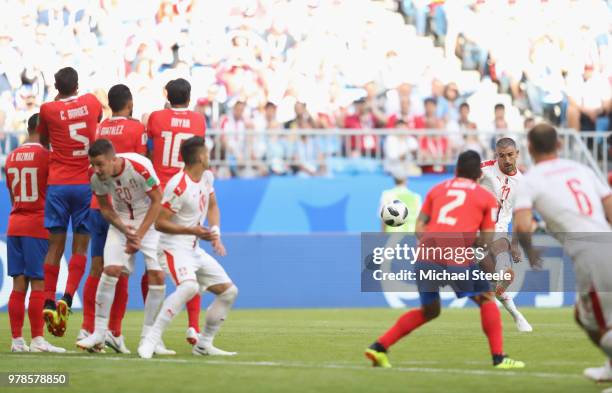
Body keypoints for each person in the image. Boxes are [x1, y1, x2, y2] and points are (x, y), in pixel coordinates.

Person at [365, 150, 525, 370]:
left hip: (424, 255)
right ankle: (499, 358)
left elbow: (419, 229)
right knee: (487, 297)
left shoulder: (437, 189)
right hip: (454, 254)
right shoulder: (485, 197)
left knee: (430, 310)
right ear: (479, 174)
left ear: (456, 170)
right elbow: (486, 239)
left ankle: (378, 347)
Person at [513, 124, 612, 383]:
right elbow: (609, 206)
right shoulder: (582, 169)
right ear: (559, 145)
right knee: (583, 315)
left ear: (530, 147)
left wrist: (530, 250)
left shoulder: (531, 180)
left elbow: (523, 225)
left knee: (599, 323)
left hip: (591, 255)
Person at [138, 136, 238, 358]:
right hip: (172, 248)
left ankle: (204, 345)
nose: (210, 156)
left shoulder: (206, 178)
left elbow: (212, 205)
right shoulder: (178, 185)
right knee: (189, 287)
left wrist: (215, 233)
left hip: (193, 250)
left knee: (229, 291)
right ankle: (150, 340)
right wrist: (193, 230)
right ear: (201, 157)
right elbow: (160, 223)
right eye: (208, 153)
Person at [76, 139, 167, 353]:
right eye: (93, 164)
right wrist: (126, 231)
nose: (96, 169)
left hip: (149, 222)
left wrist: (139, 235)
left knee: (157, 275)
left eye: (100, 164)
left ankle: (149, 338)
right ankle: (98, 333)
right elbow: (106, 209)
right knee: (111, 270)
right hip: (122, 222)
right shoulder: (95, 176)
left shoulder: (139, 169)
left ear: (113, 160)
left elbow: (157, 200)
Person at [78, 84, 147, 354]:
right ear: (129, 104)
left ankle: (87, 327)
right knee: (120, 272)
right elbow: (139, 165)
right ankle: (114, 332)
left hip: (97, 204)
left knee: (97, 268)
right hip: (122, 207)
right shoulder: (136, 128)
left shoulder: (101, 128)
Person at [37, 67, 103, 337]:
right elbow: (96, 119)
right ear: (77, 85)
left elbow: (44, 141)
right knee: (81, 244)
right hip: (84, 183)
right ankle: (67, 297)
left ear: (56, 86)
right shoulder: (90, 102)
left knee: (54, 245)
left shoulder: (48, 109)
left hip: (58, 184)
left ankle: (49, 300)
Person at [146, 78, 207, 346]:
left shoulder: (156, 117)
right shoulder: (198, 121)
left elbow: (149, 145)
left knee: (153, 268)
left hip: (161, 195)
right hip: (188, 190)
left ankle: (149, 331)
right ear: (190, 96)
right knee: (189, 262)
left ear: (166, 95)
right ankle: (193, 326)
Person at [5, 114, 65, 353]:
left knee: (18, 285)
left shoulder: (11, 157)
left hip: (15, 223)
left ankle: (17, 340)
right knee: (39, 283)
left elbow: (12, 196)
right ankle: (38, 339)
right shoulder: (47, 157)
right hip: (37, 224)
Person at [479, 138, 532, 332]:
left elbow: (520, 214)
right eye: (502, 156)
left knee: (496, 278)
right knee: (494, 276)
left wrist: (516, 245)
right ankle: (515, 312)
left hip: (499, 230)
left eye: (510, 155)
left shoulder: (523, 183)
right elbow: (463, 183)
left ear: (517, 153)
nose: (506, 160)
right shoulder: (484, 169)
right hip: (476, 229)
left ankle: (516, 313)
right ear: (496, 156)